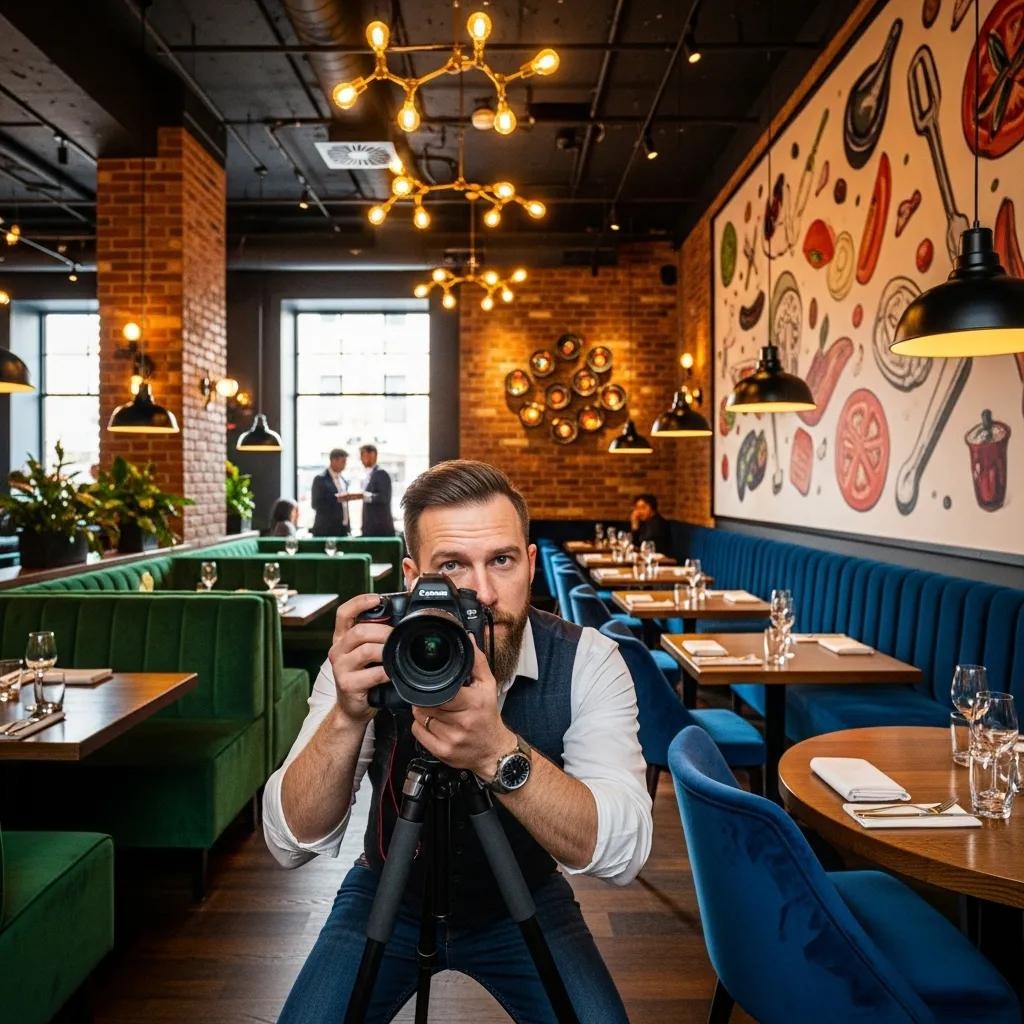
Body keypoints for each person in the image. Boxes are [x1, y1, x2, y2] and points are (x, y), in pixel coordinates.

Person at [264, 460, 651, 1024]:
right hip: (387, 889)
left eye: (502, 559)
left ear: (531, 564)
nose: (484, 592)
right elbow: (289, 841)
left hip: (524, 895)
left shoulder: (588, 659)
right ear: (412, 577)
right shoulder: (372, 657)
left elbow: (625, 852)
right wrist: (347, 716)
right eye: (452, 566)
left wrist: (497, 753)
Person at [310, 448, 358, 537]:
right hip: (326, 529)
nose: (345, 465)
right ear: (333, 460)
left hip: (343, 529)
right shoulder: (320, 479)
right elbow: (315, 504)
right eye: (343, 461)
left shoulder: (343, 480)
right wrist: (337, 498)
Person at [358, 444, 395, 536]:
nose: (361, 459)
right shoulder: (369, 475)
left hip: (379, 529)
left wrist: (363, 496)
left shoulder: (381, 473)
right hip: (370, 528)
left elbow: (384, 497)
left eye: (363, 455)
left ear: (372, 455)